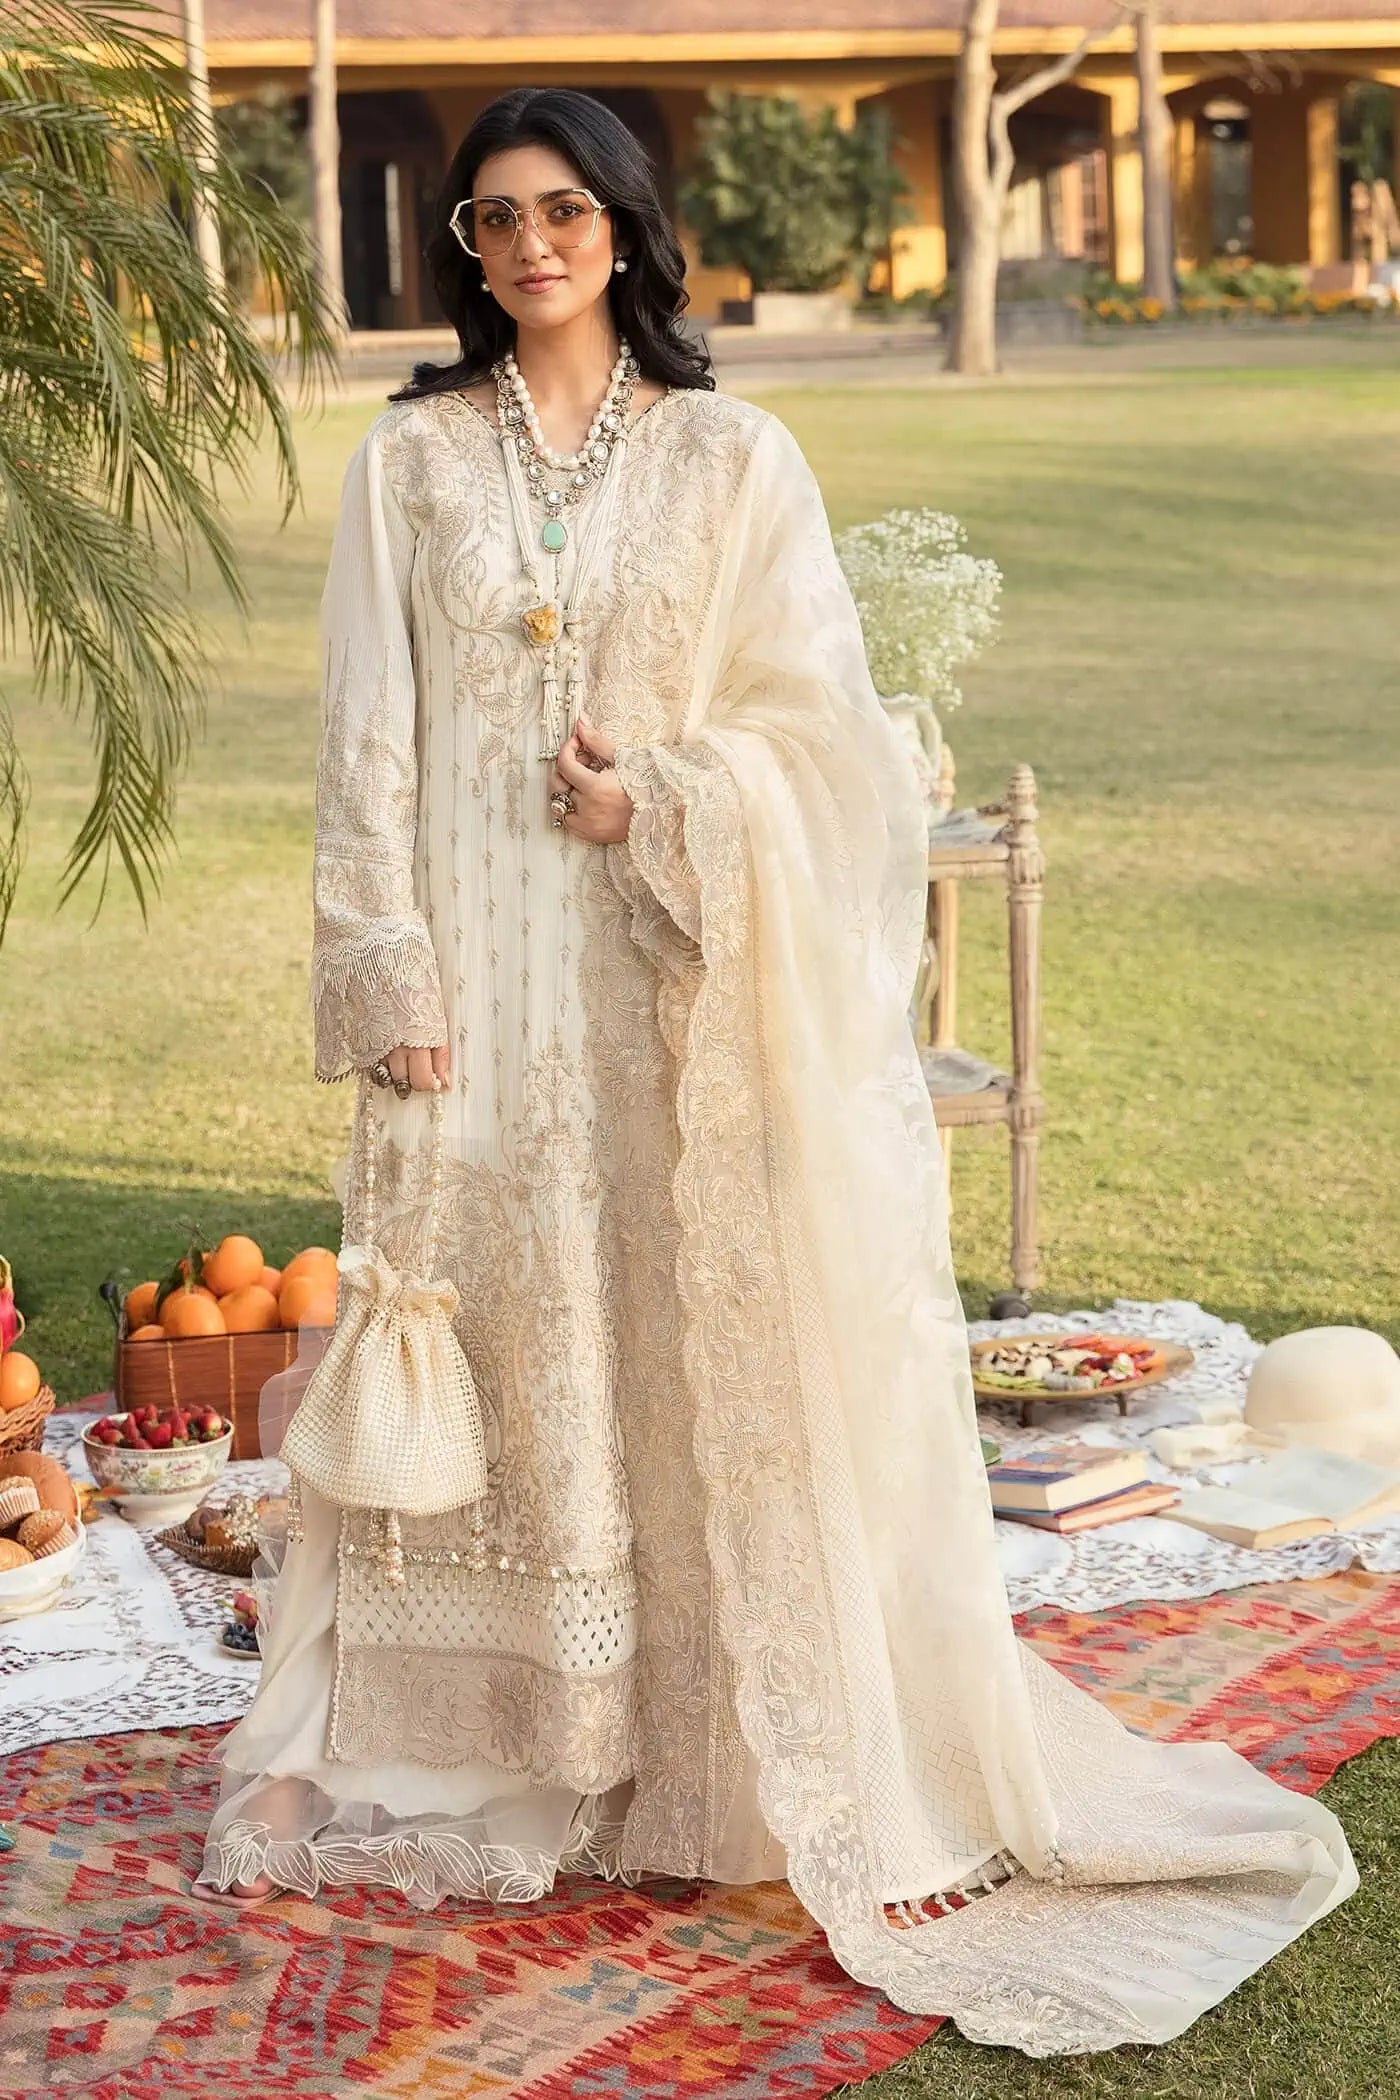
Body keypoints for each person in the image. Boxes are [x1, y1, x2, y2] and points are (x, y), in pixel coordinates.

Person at [196, 87, 1356, 2055]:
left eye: (565, 210)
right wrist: (384, 967)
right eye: (495, 217)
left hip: (667, 991)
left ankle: (687, 1755)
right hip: (472, 1001)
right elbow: (359, 741)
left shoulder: (734, 460)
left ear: (627, 229)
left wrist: (660, 797)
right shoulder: (411, 459)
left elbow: (832, 749)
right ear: (465, 249)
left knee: (664, 1344)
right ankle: (425, 1752)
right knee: (458, 1350)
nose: (531, 244)